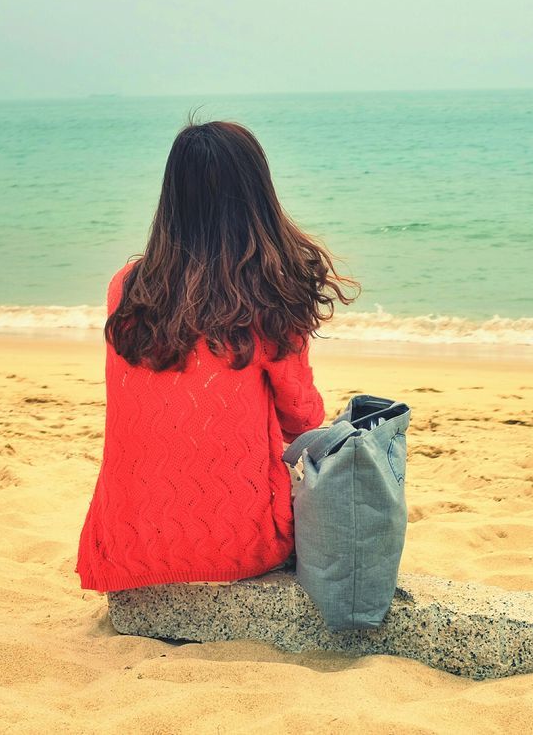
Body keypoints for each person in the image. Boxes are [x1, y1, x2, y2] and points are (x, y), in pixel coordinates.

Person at [75, 117, 359, 593]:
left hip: (131, 544)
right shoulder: (267, 288)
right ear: (258, 194)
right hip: (242, 547)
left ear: (172, 199)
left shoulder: (127, 288)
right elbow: (300, 417)